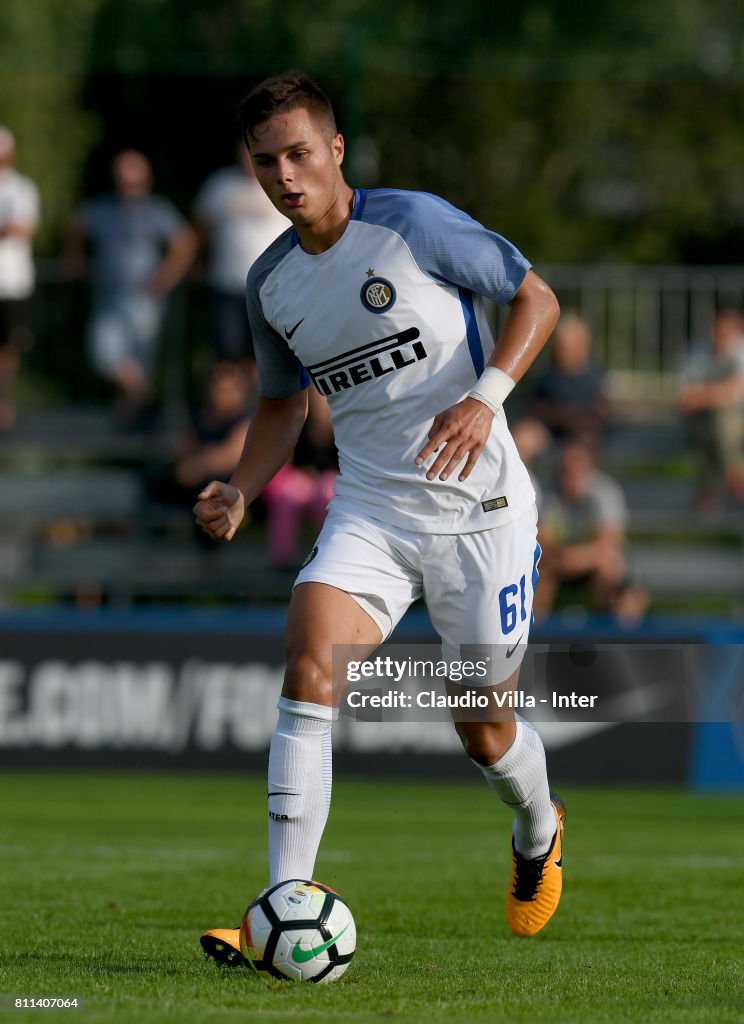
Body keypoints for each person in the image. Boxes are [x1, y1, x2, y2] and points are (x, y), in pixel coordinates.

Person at [193, 71, 563, 958]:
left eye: (298, 153)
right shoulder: (270, 283)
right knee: (309, 657)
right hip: (371, 511)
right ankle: (281, 905)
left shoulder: (412, 224)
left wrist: (486, 397)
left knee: (480, 724)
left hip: (484, 511)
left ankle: (538, 829)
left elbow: (536, 300)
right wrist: (241, 486)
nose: (284, 176)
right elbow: (283, 408)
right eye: (265, 162)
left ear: (336, 151)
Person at [64, 150, 197, 426]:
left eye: (134, 181)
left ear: (146, 181)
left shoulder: (157, 210)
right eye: (123, 180)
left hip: (145, 297)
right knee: (105, 356)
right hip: (109, 294)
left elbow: (185, 242)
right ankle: (147, 400)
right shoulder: (102, 209)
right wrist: (75, 260)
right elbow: (76, 227)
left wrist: (166, 278)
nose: (128, 186)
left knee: (139, 358)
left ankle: (133, 422)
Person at [193, 143, 289, 376]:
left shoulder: (284, 181)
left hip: (271, 287)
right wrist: (197, 263)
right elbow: (200, 229)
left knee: (264, 353)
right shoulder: (220, 186)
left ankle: (258, 406)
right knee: (227, 353)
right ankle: (232, 410)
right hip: (228, 285)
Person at [534, 437, 648, 624]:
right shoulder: (548, 494)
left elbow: (610, 542)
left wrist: (575, 558)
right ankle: (533, 633)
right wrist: (564, 559)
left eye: (578, 465)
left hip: (591, 560)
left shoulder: (605, 492)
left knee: (610, 569)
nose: (572, 472)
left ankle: (606, 631)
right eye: (567, 466)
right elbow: (543, 539)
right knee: (539, 573)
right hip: (558, 561)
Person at [261, 386, 337, 568]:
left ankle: (330, 554)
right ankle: (283, 558)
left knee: (327, 493)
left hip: (335, 479)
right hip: (303, 479)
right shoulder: (299, 423)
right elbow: (287, 459)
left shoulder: (345, 424)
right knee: (291, 493)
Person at [677, 308, 744, 510]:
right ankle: (734, 476)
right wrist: (721, 393)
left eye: (726, 332)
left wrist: (704, 394)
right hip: (703, 422)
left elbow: (735, 393)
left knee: (723, 421)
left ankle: (709, 491)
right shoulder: (695, 353)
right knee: (718, 421)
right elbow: (684, 399)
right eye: (718, 331)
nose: (720, 336)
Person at [0, 126, 40, 430]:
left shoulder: (22, 188)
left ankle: (4, 404)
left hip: (12, 282)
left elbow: (22, 227)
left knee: (9, 348)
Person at [531, 312, 609, 445]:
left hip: (584, 430)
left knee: (585, 437)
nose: (562, 352)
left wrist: (581, 419)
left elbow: (602, 409)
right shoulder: (547, 375)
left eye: (568, 348)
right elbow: (538, 408)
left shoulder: (595, 376)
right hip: (551, 430)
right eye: (560, 347)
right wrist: (561, 416)